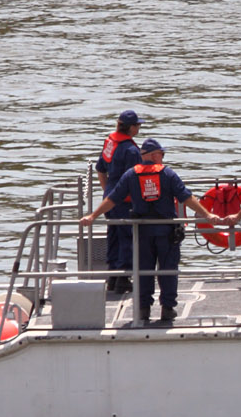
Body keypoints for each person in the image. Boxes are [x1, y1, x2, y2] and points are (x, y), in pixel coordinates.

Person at [78, 139, 230, 325]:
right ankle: (167, 308)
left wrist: (93, 216)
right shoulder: (167, 174)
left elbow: (112, 199)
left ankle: (144, 309)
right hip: (167, 232)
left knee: (143, 271)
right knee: (168, 270)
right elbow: (186, 197)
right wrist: (207, 215)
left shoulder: (131, 175)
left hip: (141, 232)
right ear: (153, 155)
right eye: (161, 154)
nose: (162, 157)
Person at [94, 110, 143, 294]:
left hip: (109, 198)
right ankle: (123, 278)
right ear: (131, 127)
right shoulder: (131, 151)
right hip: (124, 201)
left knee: (113, 236)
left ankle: (113, 277)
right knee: (127, 238)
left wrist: (108, 193)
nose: (139, 128)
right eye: (137, 125)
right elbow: (133, 179)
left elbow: (100, 169)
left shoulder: (110, 143)